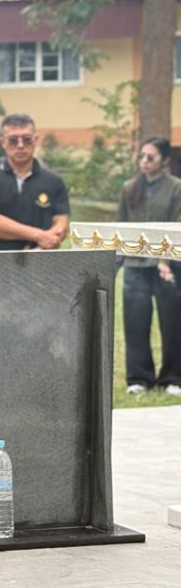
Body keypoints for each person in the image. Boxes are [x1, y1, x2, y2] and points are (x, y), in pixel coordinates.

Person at [116, 136, 181, 396]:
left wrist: (166, 260)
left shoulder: (176, 188)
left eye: (150, 157)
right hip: (135, 265)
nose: (144, 162)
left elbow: (177, 226)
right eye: (141, 156)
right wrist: (115, 264)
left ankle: (172, 377)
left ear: (165, 160)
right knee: (135, 321)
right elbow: (121, 228)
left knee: (173, 322)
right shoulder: (129, 187)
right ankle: (139, 378)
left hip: (168, 266)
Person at [0, 113, 70, 252]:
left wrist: (41, 246)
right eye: (13, 140)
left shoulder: (54, 181)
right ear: (3, 142)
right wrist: (39, 236)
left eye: (27, 139)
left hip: (44, 262)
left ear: (36, 140)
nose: (20, 145)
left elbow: (62, 223)